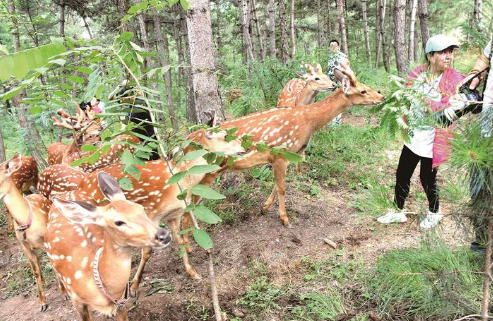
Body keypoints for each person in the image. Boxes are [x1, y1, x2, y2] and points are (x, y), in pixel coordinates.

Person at [377, 34, 469, 228]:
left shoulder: (455, 79)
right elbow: (406, 97)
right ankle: (397, 210)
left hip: (435, 137)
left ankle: (435, 212)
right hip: (414, 134)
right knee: (402, 173)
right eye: (443, 52)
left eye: (450, 52)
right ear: (430, 55)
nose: (448, 56)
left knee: (427, 177)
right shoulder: (418, 74)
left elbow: (452, 106)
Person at [459, 38, 493, 252]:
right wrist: (474, 76)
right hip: (486, 123)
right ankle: (482, 241)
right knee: (478, 181)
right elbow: (485, 57)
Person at [327, 39, 350, 126]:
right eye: (331, 46)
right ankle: (332, 123)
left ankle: (336, 124)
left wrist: (340, 83)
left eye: (334, 45)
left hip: (339, 83)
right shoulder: (331, 57)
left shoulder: (342, 56)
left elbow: (344, 70)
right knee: (332, 103)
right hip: (331, 84)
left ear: (338, 47)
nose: (332, 47)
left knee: (338, 103)